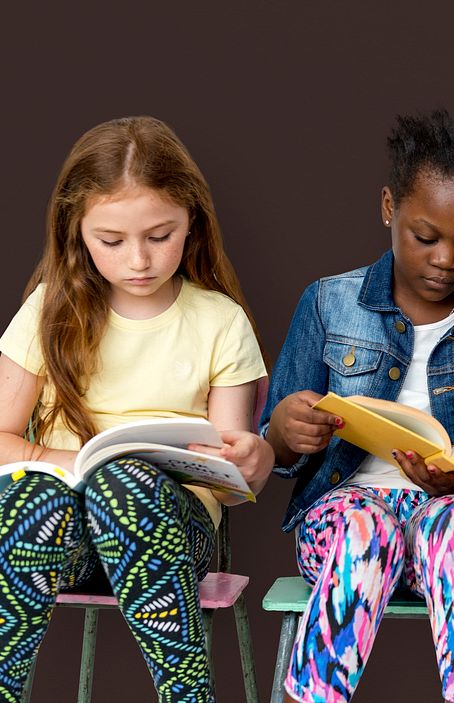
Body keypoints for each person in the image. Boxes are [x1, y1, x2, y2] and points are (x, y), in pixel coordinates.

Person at [261, 110, 454, 703]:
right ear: (389, 207)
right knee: (368, 526)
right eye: (426, 237)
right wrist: (288, 428)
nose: (446, 259)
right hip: (345, 521)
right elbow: (274, 449)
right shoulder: (328, 303)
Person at [0, 116, 272, 702]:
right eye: (112, 241)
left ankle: (186, 692)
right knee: (25, 497)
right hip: (60, 539)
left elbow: (227, 476)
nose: (139, 260)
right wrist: (71, 462)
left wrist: (250, 458)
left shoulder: (219, 321)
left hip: (172, 535)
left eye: (160, 235)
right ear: (76, 231)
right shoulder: (49, 311)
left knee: (125, 485)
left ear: (191, 223)